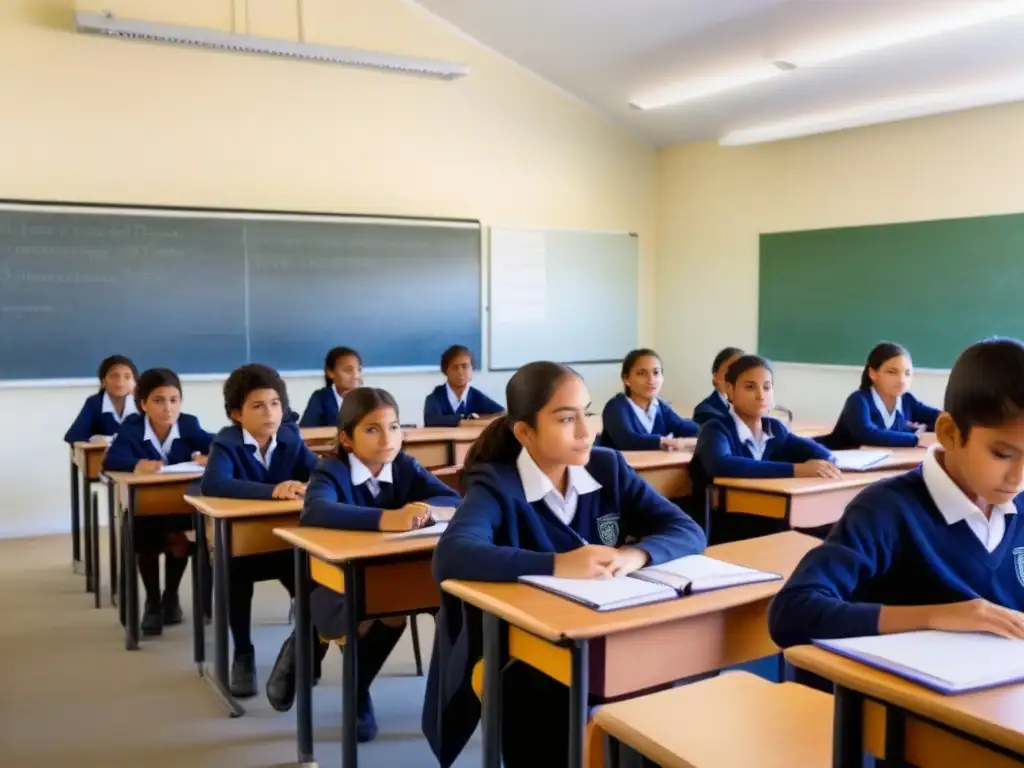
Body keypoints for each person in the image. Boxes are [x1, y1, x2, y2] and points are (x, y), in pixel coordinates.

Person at [423, 361, 706, 767]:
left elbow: (686, 529)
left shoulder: (607, 467)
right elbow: (452, 554)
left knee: (655, 688)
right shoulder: (497, 483)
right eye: (566, 418)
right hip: (529, 656)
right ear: (525, 432)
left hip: (610, 632)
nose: (585, 430)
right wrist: (557, 564)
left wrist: (634, 554)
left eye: (587, 412)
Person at [769, 338, 1024, 650]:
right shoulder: (885, 510)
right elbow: (792, 612)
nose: (1019, 477)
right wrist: (935, 617)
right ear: (950, 434)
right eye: (1001, 453)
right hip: (912, 695)